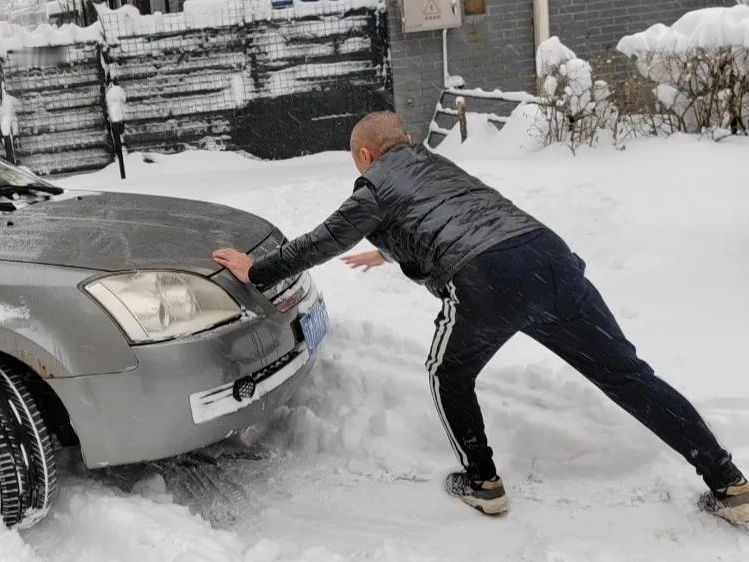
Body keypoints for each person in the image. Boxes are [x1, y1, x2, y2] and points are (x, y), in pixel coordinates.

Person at [211, 111, 748, 523]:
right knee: (630, 377)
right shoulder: (436, 166)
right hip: (548, 260)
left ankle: (482, 481)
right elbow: (450, 217)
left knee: (449, 373)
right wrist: (391, 249)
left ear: (366, 156)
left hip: (487, 280)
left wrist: (257, 269)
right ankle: (728, 482)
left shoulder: (375, 184)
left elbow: (325, 238)